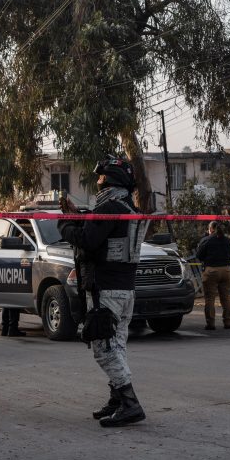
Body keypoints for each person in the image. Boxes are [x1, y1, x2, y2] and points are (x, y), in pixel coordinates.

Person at [59, 155, 146, 428]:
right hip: (125, 290)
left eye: (100, 177)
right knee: (116, 347)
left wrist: (65, 224)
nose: (97, 182)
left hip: (106, 291)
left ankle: (130, 403)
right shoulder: (128, 207)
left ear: (110, 179)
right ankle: (117, 399)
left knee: (103, 349)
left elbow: (88, 240)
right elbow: (100, 231)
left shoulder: (108, 205)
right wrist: (78, 216)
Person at [195, 221, 230, 330]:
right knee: (226, 298)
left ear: (210, 229)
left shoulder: (206, 240)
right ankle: (227, 322)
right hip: (226, 271)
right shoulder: (227, 240)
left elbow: (199, 255)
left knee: (209, 298)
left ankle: (210, 323)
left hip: (211, 271)